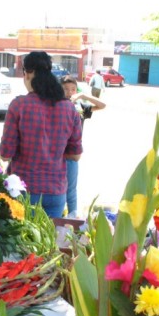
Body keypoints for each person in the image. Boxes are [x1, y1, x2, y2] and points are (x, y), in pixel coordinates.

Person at [0, 51, 82, 218]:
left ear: (28, 73)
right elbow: (75, 155)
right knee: (47, 243)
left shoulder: (19, 105)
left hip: (23, 189)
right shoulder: (69, 108)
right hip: (55, 192)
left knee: (21, 242)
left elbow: (5, 154)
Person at [60, 75, 105, 217]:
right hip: (55, 155)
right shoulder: (55, 106)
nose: (69, 92)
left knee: (71, 189)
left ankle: (73, 218)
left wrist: (84, 95)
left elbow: (102, 105)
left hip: (72, 155)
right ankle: (57, 217)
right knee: (56, 189)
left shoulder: (79, 107)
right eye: (65, 89)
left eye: (73, 89)